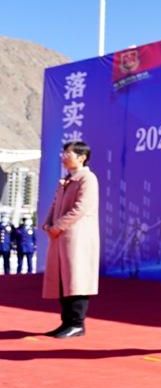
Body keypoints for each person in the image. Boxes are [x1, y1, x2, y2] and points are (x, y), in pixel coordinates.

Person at [40, 141, 101, 338]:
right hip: (61, 238)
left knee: (77, 279)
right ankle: (66, 323)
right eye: (63, 153)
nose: (63, 157)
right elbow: (54, 205)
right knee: (63, 280)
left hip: (77, 238)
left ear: (82, 157)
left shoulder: (88, 178)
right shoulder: (65, 180)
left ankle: (77, 323)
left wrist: (57, 226)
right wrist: (47, 223)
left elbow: (80, 208)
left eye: (68, 154)